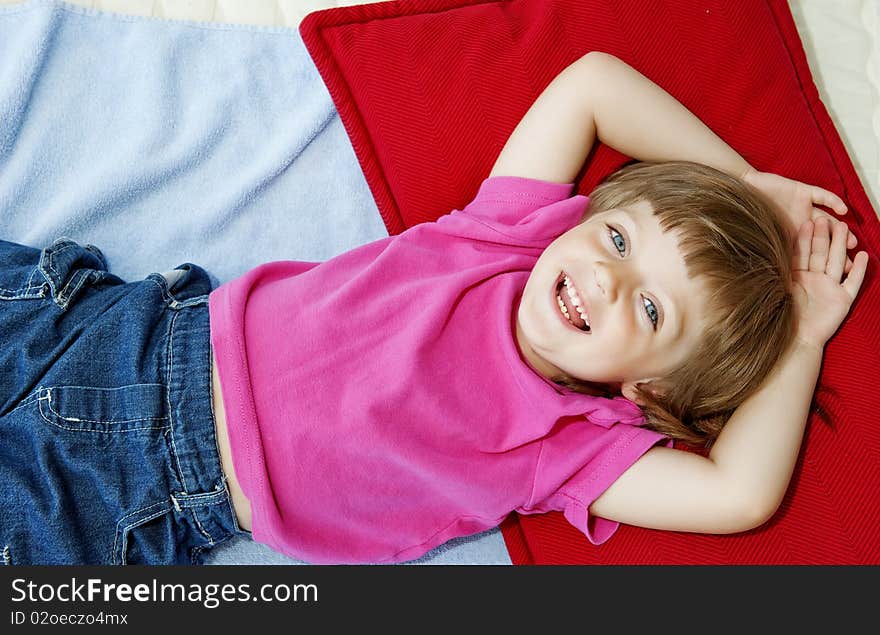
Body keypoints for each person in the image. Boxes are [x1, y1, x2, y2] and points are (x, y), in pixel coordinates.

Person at [0, 52, 867, 565]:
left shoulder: (572, 448)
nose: (605, 281)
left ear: (648, 392)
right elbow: (593, 83)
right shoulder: (505, 238)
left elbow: (740, 493)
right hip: (127, 334)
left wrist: (803, 339)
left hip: (138, 493)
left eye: (649, 311)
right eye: (617, 243)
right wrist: (747, 187)